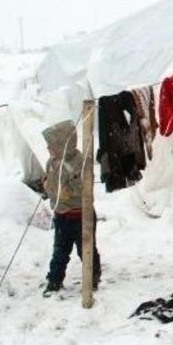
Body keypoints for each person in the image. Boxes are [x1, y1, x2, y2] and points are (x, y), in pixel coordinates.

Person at [41, 120, 101, 296]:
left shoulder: (80, 163)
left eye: (51, 145)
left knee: (87, 250)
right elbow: (49, 182)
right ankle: (54, 280)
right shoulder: (51, 163)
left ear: (62, 145)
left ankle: (93, 277)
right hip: (62, 216)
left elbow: (83, 187)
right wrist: (47, 184)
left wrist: (67, 190)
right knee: (60, 251)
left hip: (82, 216)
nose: (48, 149)